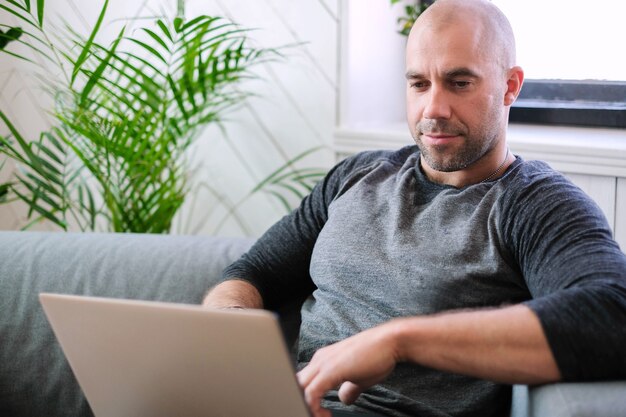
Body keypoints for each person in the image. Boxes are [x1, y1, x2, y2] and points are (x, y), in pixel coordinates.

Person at [203, 0, 626, 416]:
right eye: (419, 84)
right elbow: (252, 273)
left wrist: (396, 340)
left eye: (460, 83)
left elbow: (612, 316)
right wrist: (229, 331)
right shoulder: (356, 175)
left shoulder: (535, 202)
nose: (433, 110)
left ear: (510, 86)